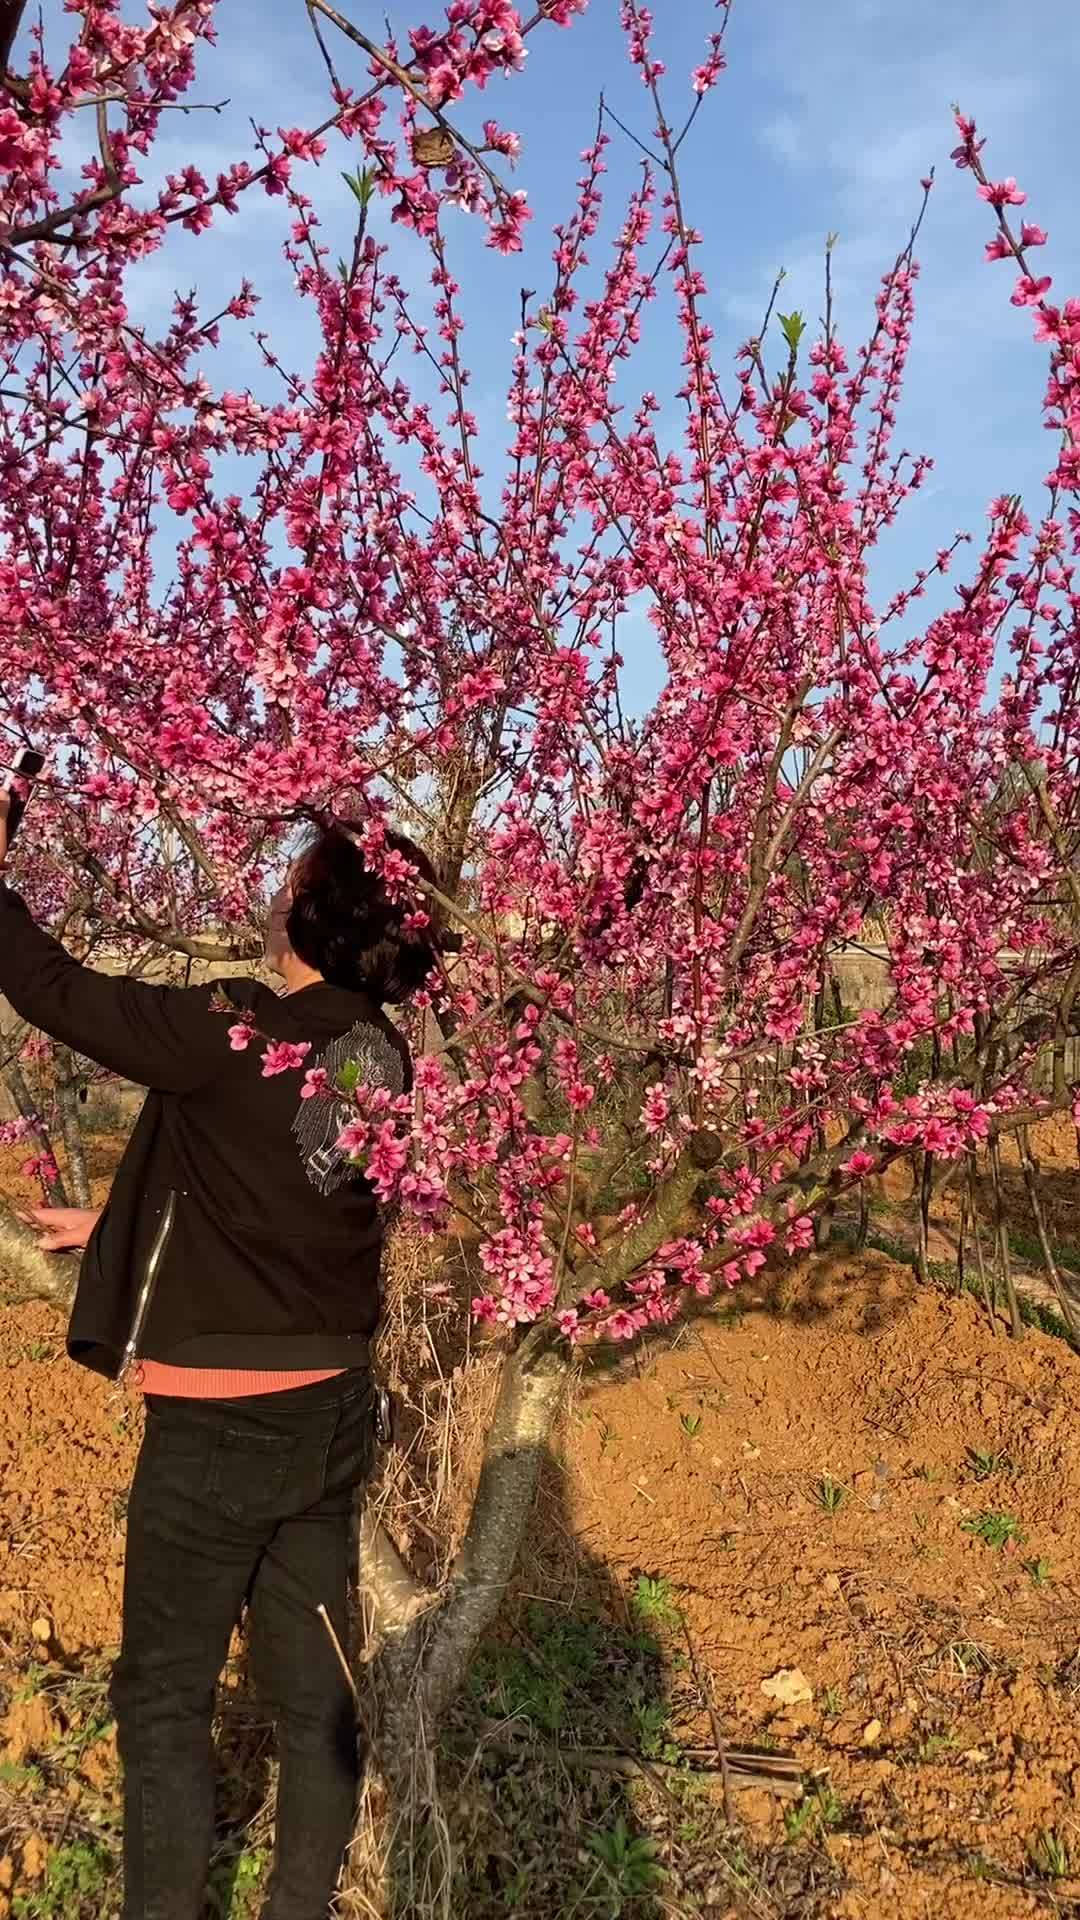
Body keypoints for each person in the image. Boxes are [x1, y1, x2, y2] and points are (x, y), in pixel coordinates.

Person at [0, 807, 440, 1920]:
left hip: (218, 1426)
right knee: (311, 1697)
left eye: (291, 880)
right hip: (331, 1406)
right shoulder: (384, 1054)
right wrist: (118, 1222)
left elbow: (57, 992)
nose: (274, 892)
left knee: (160, 1700)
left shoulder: (240, 1025)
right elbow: (275, 1196)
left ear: (313, 915)